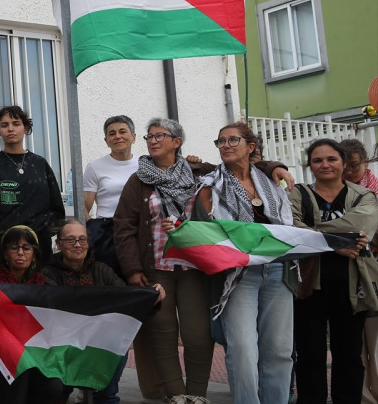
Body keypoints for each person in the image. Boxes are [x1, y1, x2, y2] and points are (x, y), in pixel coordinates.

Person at [194, 122, 296, 404]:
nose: (225, 145)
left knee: (279, 349)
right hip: (237, 275)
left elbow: (288, 223)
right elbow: (202, 230)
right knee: (242, 350)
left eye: (232, 140)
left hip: (277, 270)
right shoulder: (209, 185)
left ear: (251, 147)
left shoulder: (272, 182)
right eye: (220, 141)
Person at [113, 117, 211, 404]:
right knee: (162, 332)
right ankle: (176, 394)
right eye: (149, 136)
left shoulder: (199, 172)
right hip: (156, 269)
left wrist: (275, 168)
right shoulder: (139, 180)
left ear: (176, 142)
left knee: (198, 334)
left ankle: (198, 394)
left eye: (160, 136)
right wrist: (132, 269)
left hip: (194, 267)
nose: (153, 141)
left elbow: (239, 171)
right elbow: (124, 227)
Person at [289, 138, 378, 404]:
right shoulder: (298, 194)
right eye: (317, 160)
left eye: (331, 159)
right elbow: (291, 229)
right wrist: (338, 243)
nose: (325, 164)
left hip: (352, 286)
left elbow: (363, 223)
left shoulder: (364, 195)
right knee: (310, 355)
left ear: (343, 163)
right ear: (310, 165)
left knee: (349, 356)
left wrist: (313, 237)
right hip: (308, 287)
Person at [42, 218, 165, 404]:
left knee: (117, 347)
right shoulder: (47, 274)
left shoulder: (102, 271)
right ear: (58, 244)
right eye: (70, 240)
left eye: (82, 239)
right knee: (55, 392)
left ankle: (106, 396)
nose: (77, 245)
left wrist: (151, 297)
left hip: (97, 346)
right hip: (61, 347)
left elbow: (127, 301)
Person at [0, 226, 66, 404]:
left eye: (26, 248)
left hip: (30, 359)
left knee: (52, 386)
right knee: (16, 361)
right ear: (5, 254)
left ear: (35, 255)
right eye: (14, 248)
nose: (20, 253)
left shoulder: (42, 287)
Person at [0, 105, 64, 242]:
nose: (10, 129)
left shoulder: (40, 164)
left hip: (38, 249)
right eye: (4, 125)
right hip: (1, 249)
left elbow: (57, 211)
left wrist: (38, 233)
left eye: (16, 124)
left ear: (25, 128)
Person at [341, 139, 378, 404]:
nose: (350, 172)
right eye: (346, 166)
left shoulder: (375, 190)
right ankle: (364, 397)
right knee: (355, 343)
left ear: (366, 161)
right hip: (347, 272)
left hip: (373, 270)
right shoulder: (334, 191)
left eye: (355, 165)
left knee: (375, 338)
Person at [83, 115, 138, 276]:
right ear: (106, 140)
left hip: (138, 228)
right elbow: (84, 206)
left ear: (133, 137)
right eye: (112, 133)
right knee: (109, 278)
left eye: (123, 131)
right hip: (107, 232)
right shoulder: (95, 167)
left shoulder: (145, 164)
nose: (117, 136)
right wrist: (94, 229)